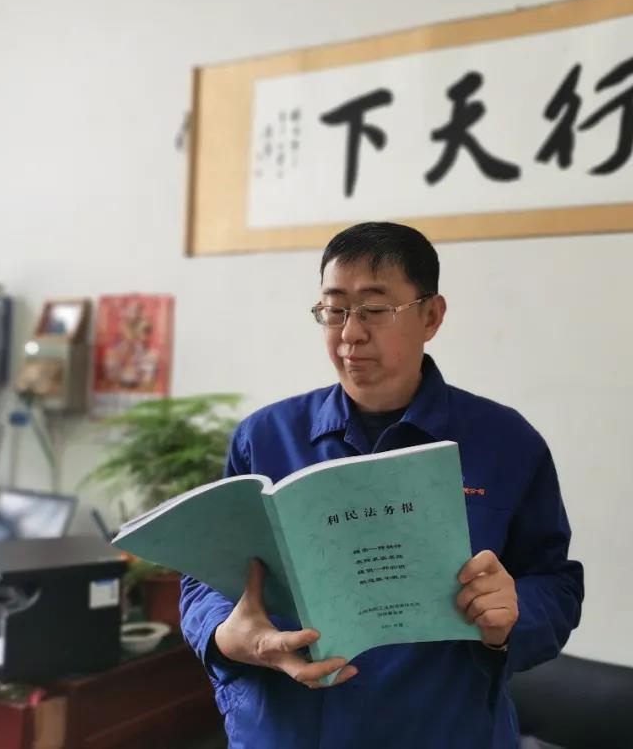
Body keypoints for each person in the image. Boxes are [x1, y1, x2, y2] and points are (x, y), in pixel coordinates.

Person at [180, 221, 583, 748]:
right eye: (334, 310)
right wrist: (225, 633)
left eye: (373, 309)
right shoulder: (265, 437)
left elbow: (556, 583)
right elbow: (206, 577)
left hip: (441, 730)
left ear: (431, 316)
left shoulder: (505, 442)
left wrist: (513, 613)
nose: (350, 333)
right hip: (284, 730)